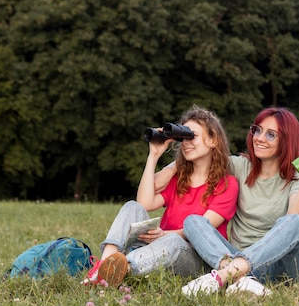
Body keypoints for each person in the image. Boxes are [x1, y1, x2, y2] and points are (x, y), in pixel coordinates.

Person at [155, 107, 299, 296]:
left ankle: (225, 275)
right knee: (193, 221)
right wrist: (171, 166)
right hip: (236, 260)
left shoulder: (297, 177)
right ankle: (241, 279)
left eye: (271, 134)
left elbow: (295, 214)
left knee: (296, 222)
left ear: (287, 140)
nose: (259, 138)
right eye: (257, 130)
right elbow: (204, 154)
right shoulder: (239, 166)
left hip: (281, 272)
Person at [84, 105, 239, 288]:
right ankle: (104, 266)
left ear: (213, 140)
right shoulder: (179, 179)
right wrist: (154, 155)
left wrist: (163, 235)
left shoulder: (227, 184)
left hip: (196, 258)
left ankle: (123, 268)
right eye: (183, 137)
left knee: (174, 240)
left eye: (192, 136)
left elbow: (200, 230)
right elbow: (145, 203)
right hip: (158, 251)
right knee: (132, 206)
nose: (186, 142)